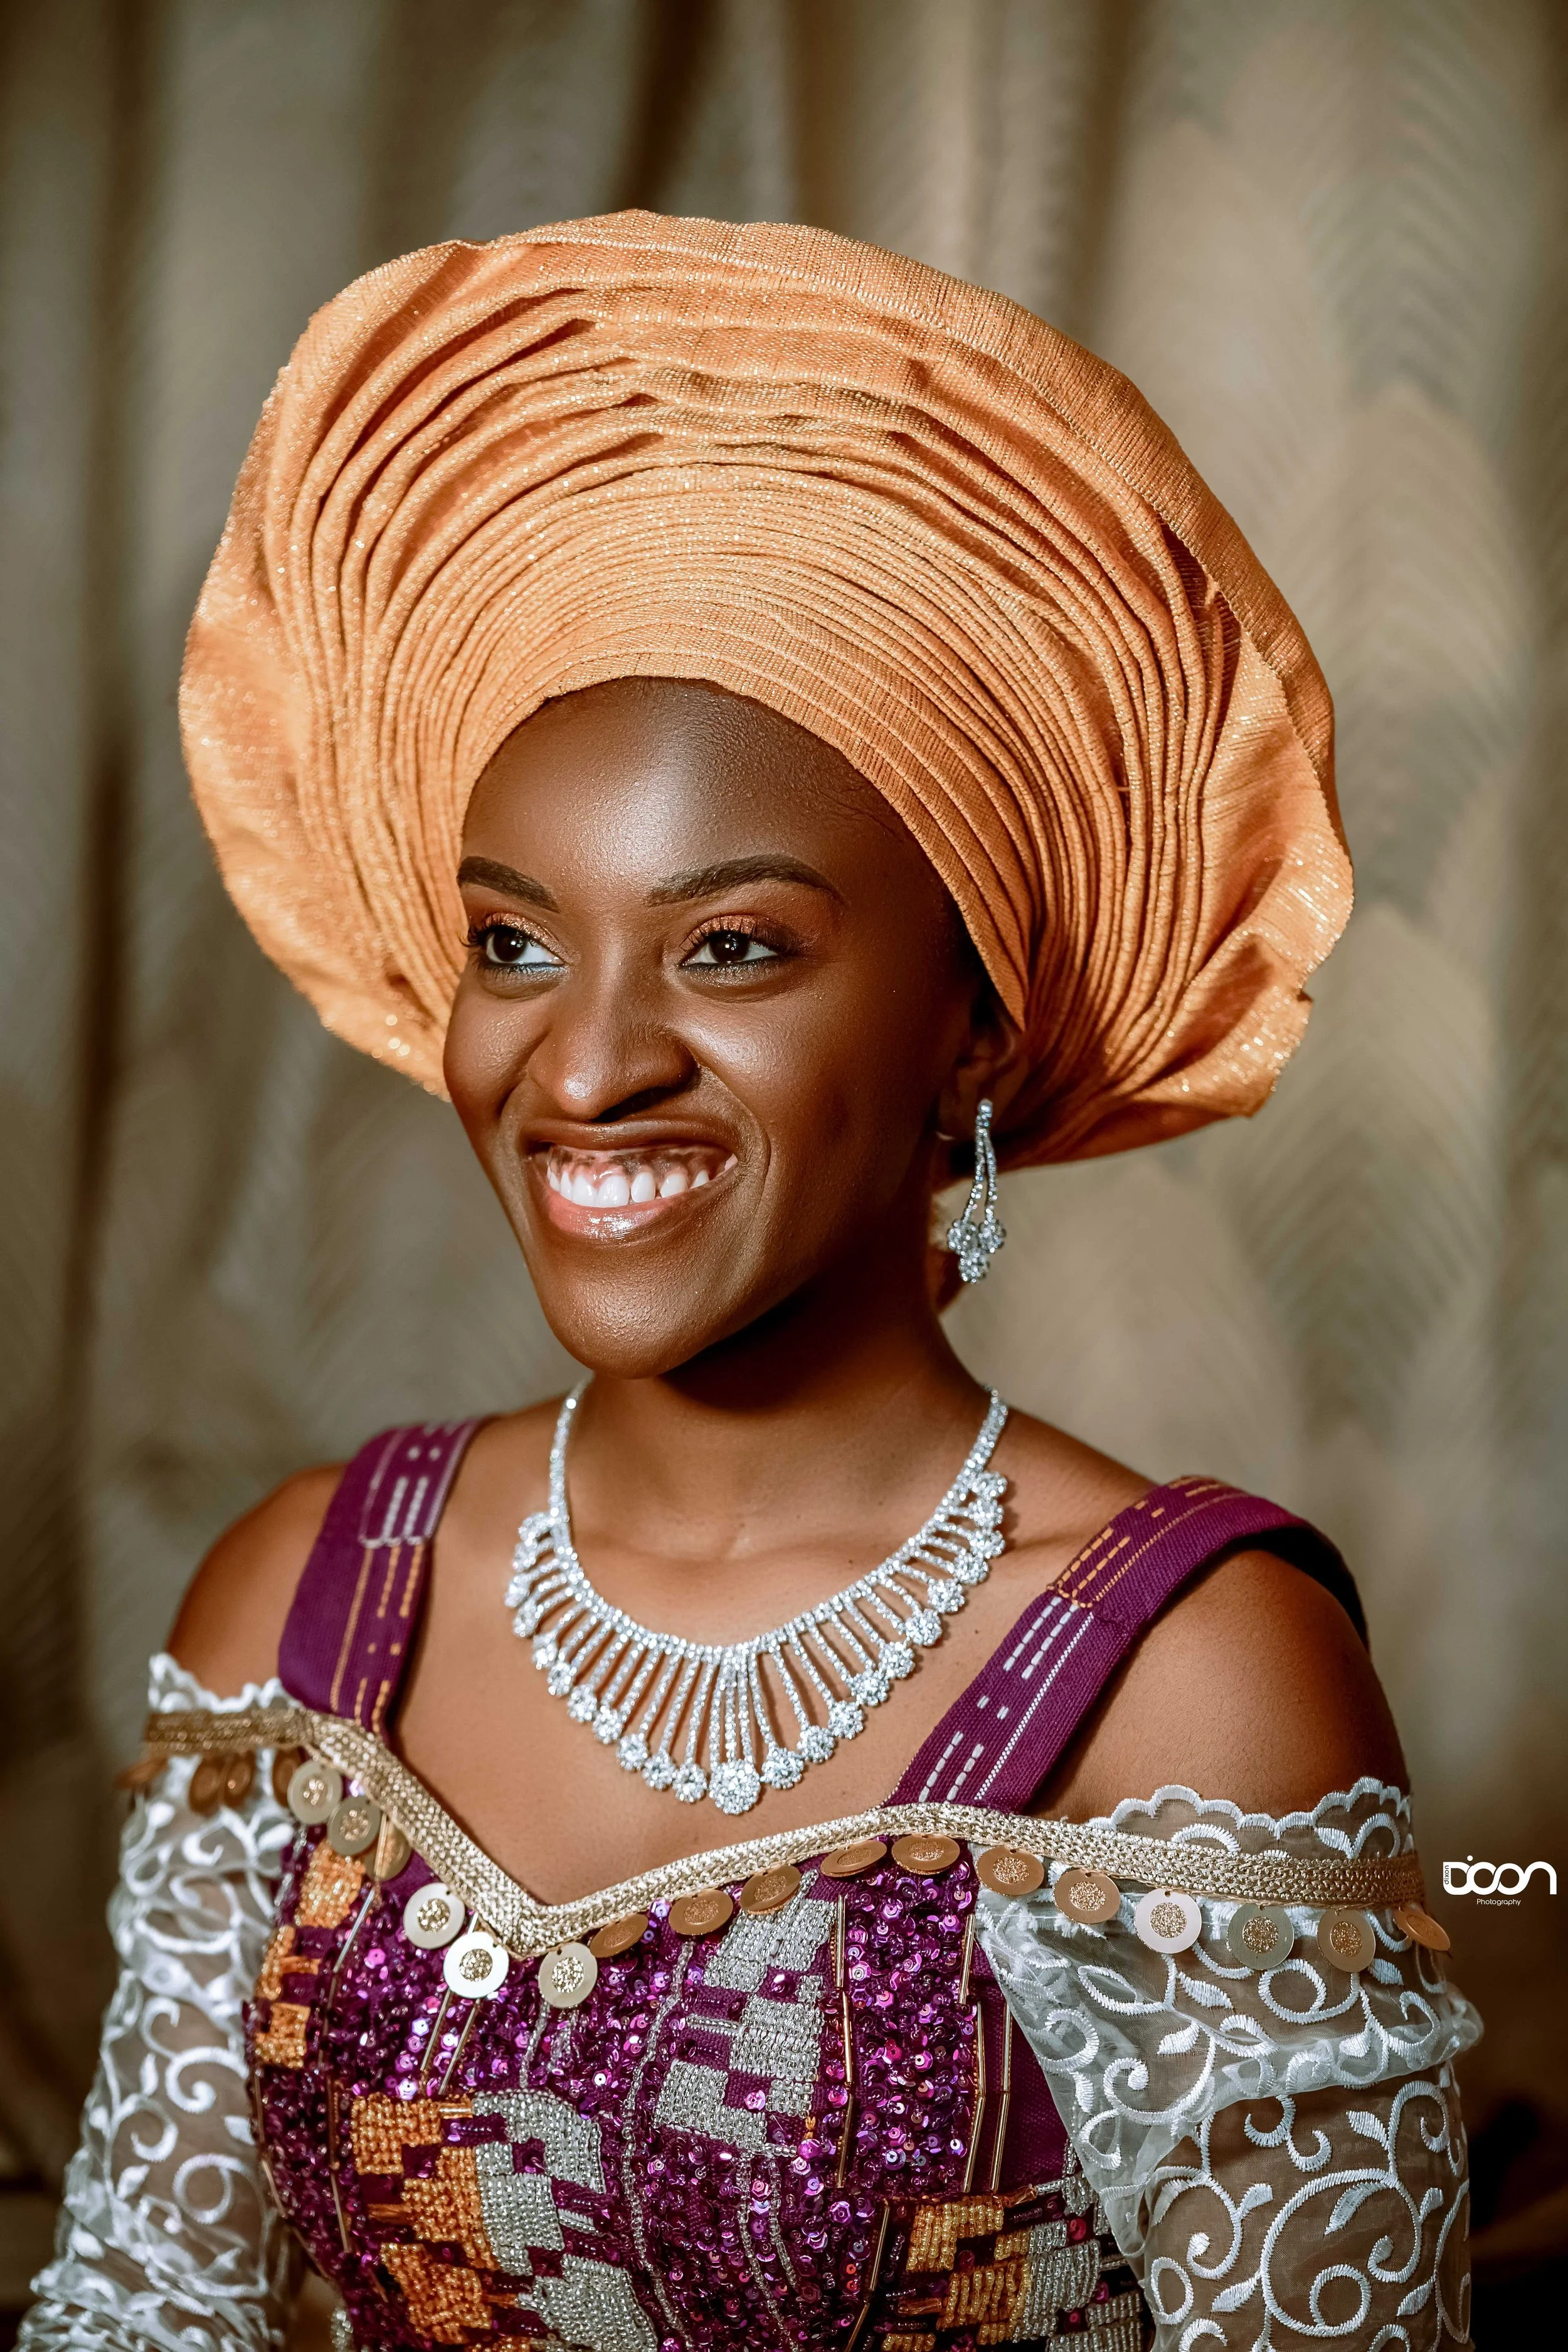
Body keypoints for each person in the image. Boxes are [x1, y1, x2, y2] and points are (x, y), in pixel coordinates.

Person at [24, 213, 1478, 2352]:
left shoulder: (1192, 1677)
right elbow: (143, 2314)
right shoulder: (298, 1608)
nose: (582, 1065)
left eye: (731, 947)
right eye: (513, 943)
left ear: (970, 1026)